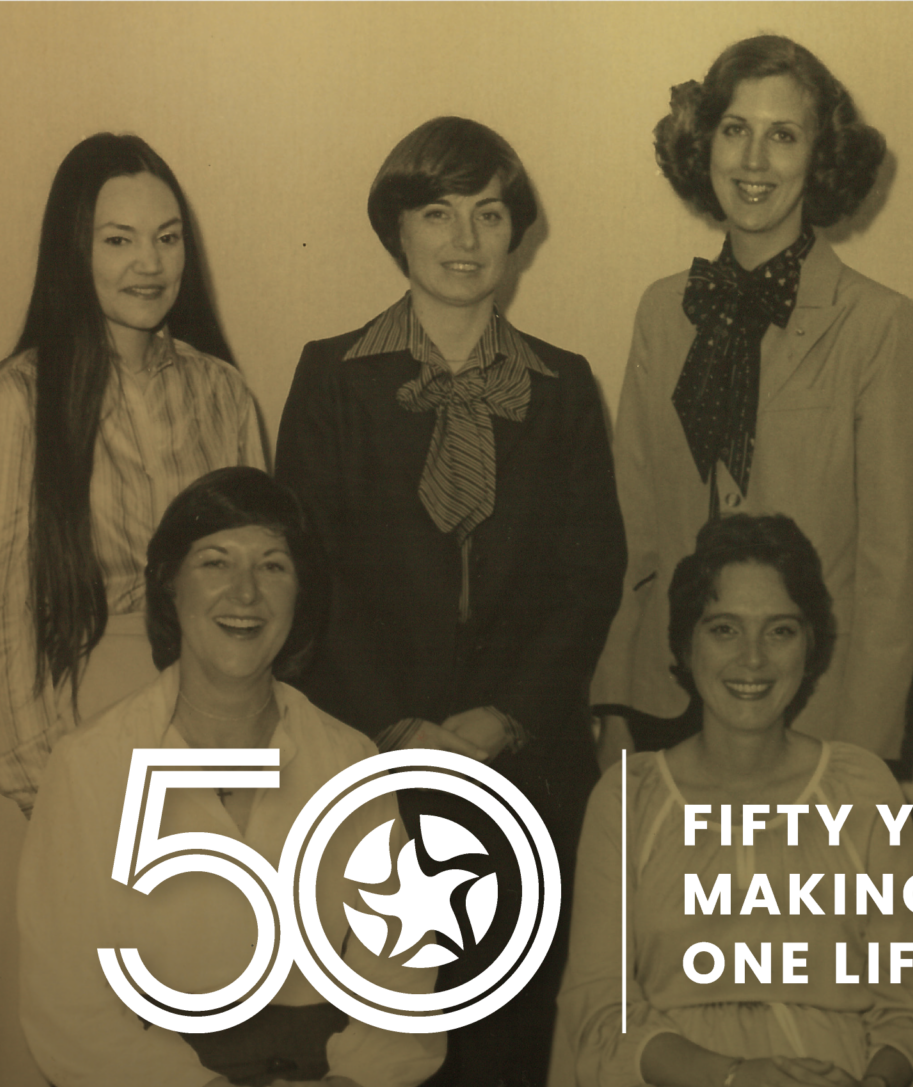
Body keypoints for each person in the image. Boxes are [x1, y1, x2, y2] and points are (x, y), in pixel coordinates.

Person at [275, 114, 623, 1087]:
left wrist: (500, 719)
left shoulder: (564, 387)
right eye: (438, 212)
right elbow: (307, 574)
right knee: (380, 1039)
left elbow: (589, 577)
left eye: (490, 213)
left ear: (517, 234)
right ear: (397, 227)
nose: (465, 238)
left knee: (507, 1038)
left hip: (524, 767)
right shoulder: (331, 377)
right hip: (367, 759)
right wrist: (399, 726)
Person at [0, 132, 269, 1086]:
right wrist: (58, 801)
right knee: (47, 1029)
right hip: (59, 737)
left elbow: (255, 595)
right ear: (72, 250)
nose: (148, 263)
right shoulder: (15, 398)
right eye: (118, 239)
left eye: (167, 238)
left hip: (195, 735)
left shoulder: (222, 390)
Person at [19, 467, 443, 1087]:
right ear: (169, 585)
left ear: (301, 594)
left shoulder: (349, 762)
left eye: (273, 566)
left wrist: (349, 1082)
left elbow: (401, 980)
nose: (245, 594)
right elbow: (68, 1004)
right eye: (215, 562)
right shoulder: (90, 765)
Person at [592, 34, 913, 764]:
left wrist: (861, 758)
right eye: (734, 130)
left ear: (820, 156)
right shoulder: (662, 312)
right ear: (704, 144)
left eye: (783, 135)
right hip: (666, 705)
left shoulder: (881, 325)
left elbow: (893, 574)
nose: (753, 161)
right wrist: (616, 701)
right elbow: (633, 533)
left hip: (814, 717)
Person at [557, 514, 913, 1087]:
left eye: (780, 631)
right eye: (724, 629)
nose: (753, 659)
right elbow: (598, 1009)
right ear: (686, 643)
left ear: (810, 644)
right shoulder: (627, 797)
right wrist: (735, 1077)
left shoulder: (863, 789)